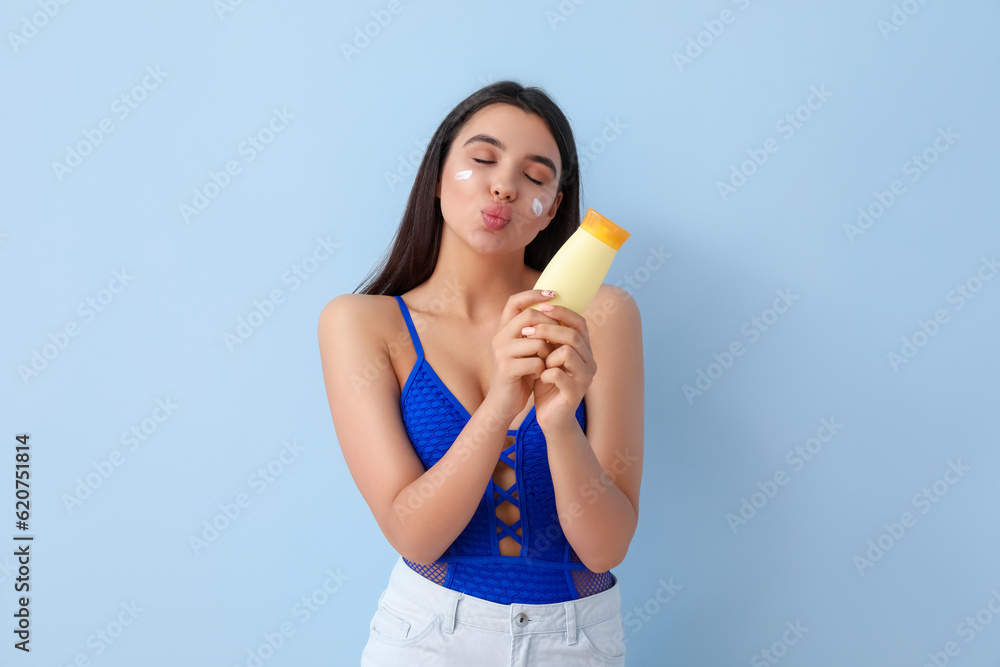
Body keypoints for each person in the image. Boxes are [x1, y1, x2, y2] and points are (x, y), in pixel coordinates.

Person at [317, 80, 644, 665]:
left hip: (576, 641)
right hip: (426, 638)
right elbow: (415, 536)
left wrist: (560, 421)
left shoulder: (601, 316)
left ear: (552, 210)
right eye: (484, 159)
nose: (505, 185)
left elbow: (606, 547)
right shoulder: (363, 324)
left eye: (536, 176)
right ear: (438, 173)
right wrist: (499, 402)